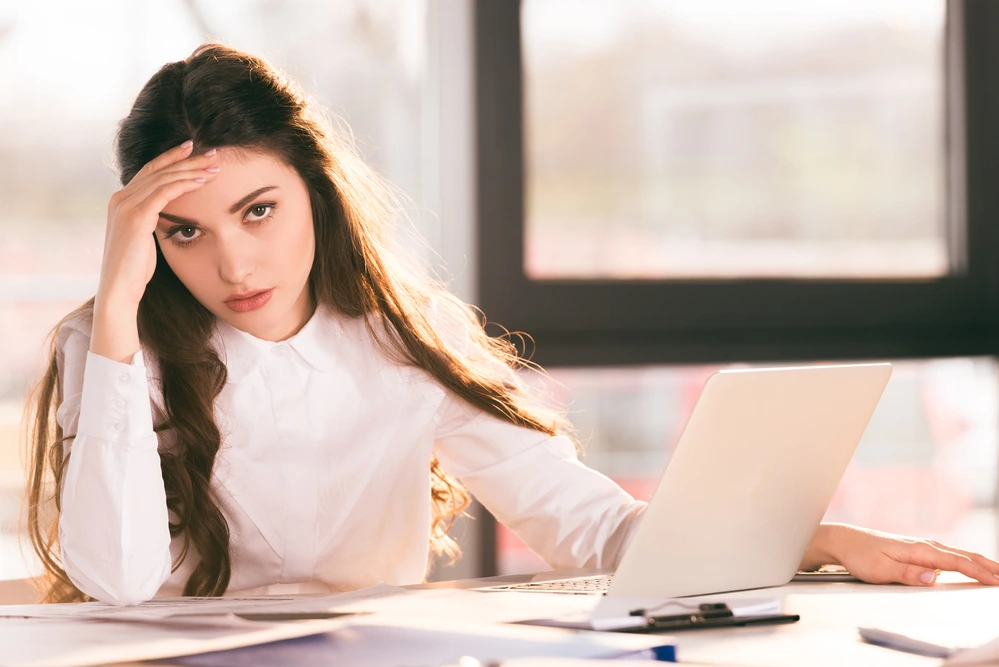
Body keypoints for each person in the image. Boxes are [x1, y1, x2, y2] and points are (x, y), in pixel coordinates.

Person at [23, 42, 999, 606]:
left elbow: (592, 526)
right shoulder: (112, 349)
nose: (231, 263)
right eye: (182, 231)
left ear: (315, 190)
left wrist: (820, 538)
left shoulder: (399, 341)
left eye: (259, 210)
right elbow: (115, 581)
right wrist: (114, 303)